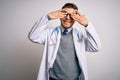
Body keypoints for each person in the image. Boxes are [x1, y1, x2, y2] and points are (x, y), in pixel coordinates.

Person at [28, 3, 101, 80]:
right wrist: (47, 17)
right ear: (59, 16)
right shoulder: (50, 33)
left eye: (72, 15)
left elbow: (96, 47)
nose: (67, 18)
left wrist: (87, 24)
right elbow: (32, 36)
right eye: (65, 14)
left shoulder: (80, 35)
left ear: (76, 18)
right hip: (53, 78)